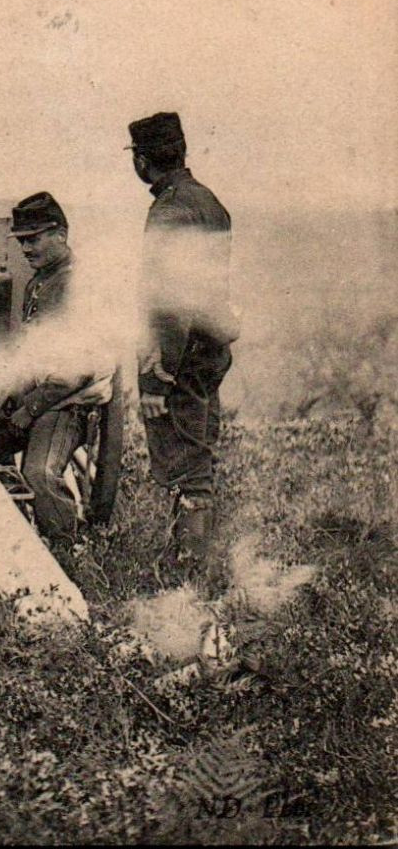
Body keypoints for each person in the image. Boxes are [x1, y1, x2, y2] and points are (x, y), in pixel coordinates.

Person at [128, 111, 237, 569]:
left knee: (189, 466)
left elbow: (170, 305)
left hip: (184, 356)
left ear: (142, 161)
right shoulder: (208, 201)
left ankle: (190, 571)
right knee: (198, 456)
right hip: (209, 349)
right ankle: (187, 557)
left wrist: (156, 381)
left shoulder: (170, 211)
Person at [0, 192, 99, 538]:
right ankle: (9, 528)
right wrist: (11, 392)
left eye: (34, 239)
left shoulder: (81, 285)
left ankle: (68, 547)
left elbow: (79, 369)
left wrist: (30, 408)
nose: (26, 249)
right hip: (38, 396)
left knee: (40, 475)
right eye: (22, 241)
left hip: (68, 403)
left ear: (61, 234)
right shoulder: (38, 282)